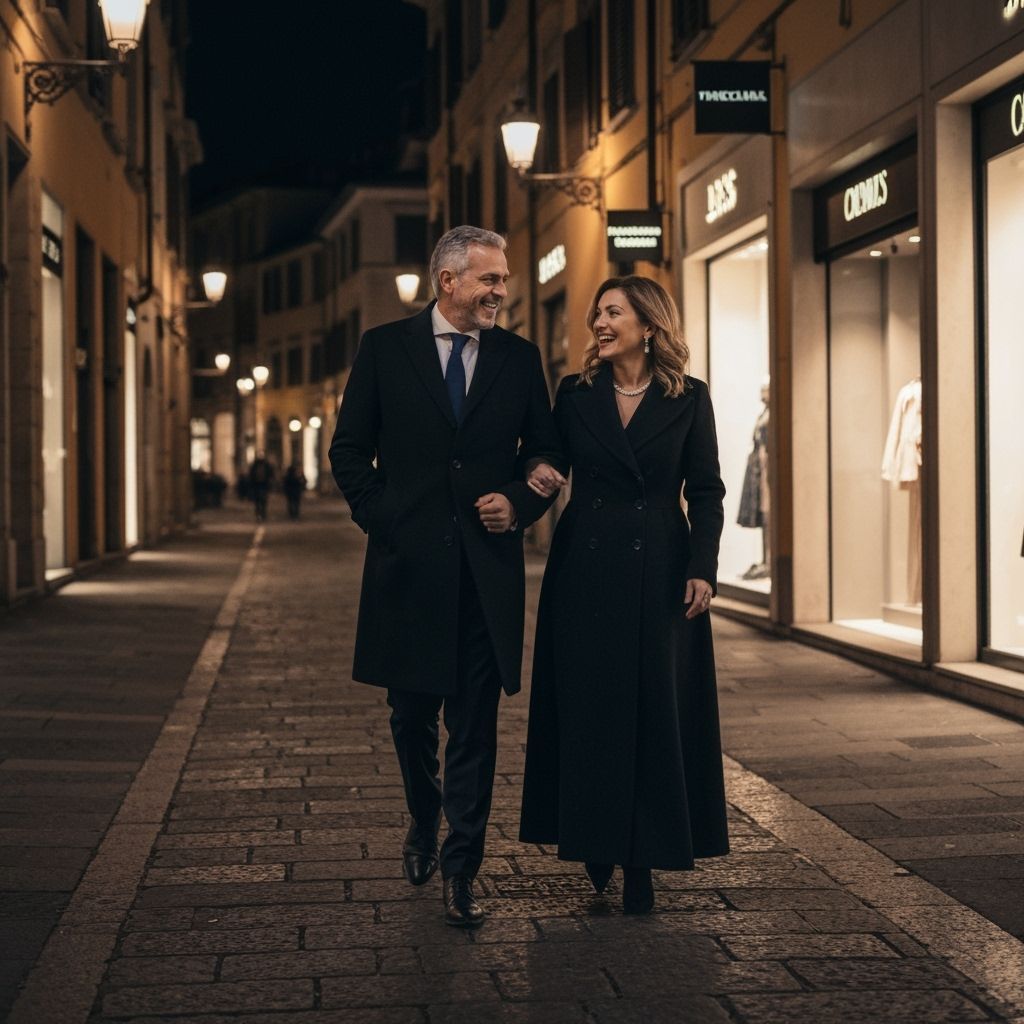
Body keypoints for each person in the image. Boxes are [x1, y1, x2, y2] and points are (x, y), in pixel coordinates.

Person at [329, 226, 563, 927]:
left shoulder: (519, 360)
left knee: (475, 728)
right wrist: (385, 518)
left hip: (485, 576)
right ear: (448, 282)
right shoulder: (384, 350)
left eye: (504, 280)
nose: (501, 291)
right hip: (407, 570)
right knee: (409, 719)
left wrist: (521, 501)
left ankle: (462, 868)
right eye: (489, 280)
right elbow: (347, 451)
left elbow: (547, 452)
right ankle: (423, 813)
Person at [519, 275, 729, 915]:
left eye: (613, 313)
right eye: (598, 313)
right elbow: (546, 455)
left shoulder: (689, 398)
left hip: (663, 565)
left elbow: (708, 489)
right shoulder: (576, 392)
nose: (599, 324)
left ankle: (645, 857)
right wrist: (536, 472)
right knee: (591, 706)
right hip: (584, 565)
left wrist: (703, 566)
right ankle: (594, 840)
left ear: (648, 323)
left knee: (655, 708)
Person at [248, 452, 273, 522]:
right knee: (257, 501)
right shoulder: (255, 465)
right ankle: (258, 514)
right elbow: (251, 475)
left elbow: (270, 474)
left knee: (263, 500)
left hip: (264, 485)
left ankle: (263, 513)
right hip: (257, 485)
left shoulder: (266, 465)